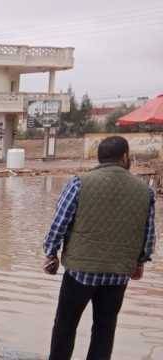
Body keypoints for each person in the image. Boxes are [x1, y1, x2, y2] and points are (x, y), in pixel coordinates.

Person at [43, 136, 156, 360]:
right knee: (104, 328)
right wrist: (141, 261)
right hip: (118, 273)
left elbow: (60, 222)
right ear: (125, 157)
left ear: (99, 157)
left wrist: (51, 252)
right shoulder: (145, 191)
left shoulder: (80, 183)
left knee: (65, 325)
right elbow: (149, 233)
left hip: (79, 272)